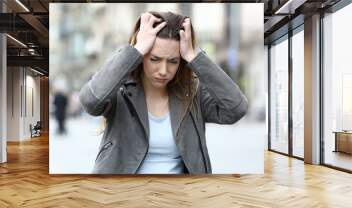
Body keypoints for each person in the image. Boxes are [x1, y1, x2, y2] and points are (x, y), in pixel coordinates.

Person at [79, 11, 248, 174]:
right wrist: (134, 51)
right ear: (143, 55)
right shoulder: (120, 88)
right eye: (154, 59)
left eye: (173, 61)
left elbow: (236, 108)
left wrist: (194, 56)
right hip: (122, 194)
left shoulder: (193, 92)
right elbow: (90, 101)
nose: (163, 70)